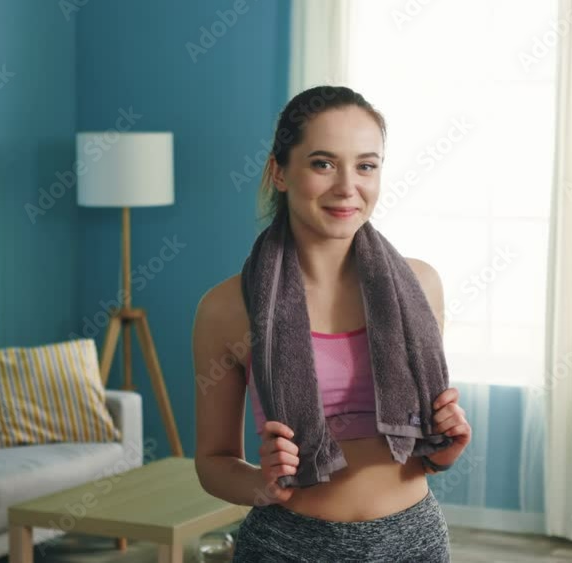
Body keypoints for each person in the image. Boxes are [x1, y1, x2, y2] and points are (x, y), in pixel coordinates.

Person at [192, 85, 471, 562]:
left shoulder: (421, 288)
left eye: (366, 165)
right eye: (323, 163)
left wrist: (445, 449)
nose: (347, 187)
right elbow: (212, 463)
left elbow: (420, 449)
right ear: (279, 172)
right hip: (287, 545)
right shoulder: (226, 308)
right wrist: (260, 483)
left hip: (413, 541)